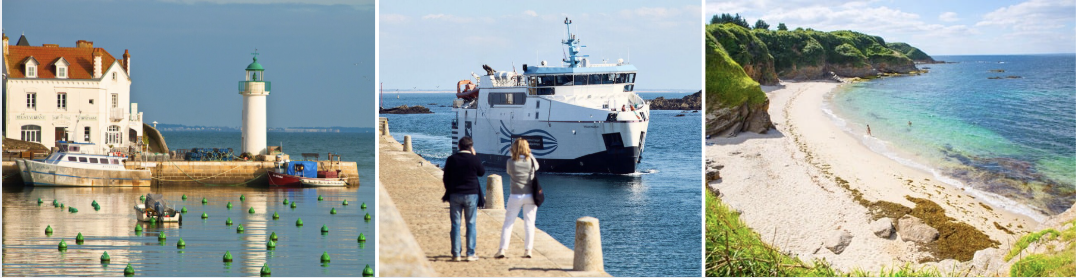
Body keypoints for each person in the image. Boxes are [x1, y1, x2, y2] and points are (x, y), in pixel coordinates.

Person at [495, 138, 540, 259]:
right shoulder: (530, 161)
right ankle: (528, 250)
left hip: (515, 195)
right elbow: (537, 167)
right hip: (530, 195)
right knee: (529, 224)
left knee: (508, 223)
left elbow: (509, 172)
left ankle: (502, 250)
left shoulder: (510, 162)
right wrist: (528, 153)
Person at [442, 136, 485, 262]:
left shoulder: (451, 159)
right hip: (471, 194)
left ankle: (456, 254)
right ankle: (470, 253)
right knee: (471, 223)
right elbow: (481, 172)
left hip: (455, 194)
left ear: (459, 146)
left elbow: (446, 177)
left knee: (455, 224)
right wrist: (475, 156)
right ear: (471, 147)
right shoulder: (473, 159)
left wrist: (450, 189)